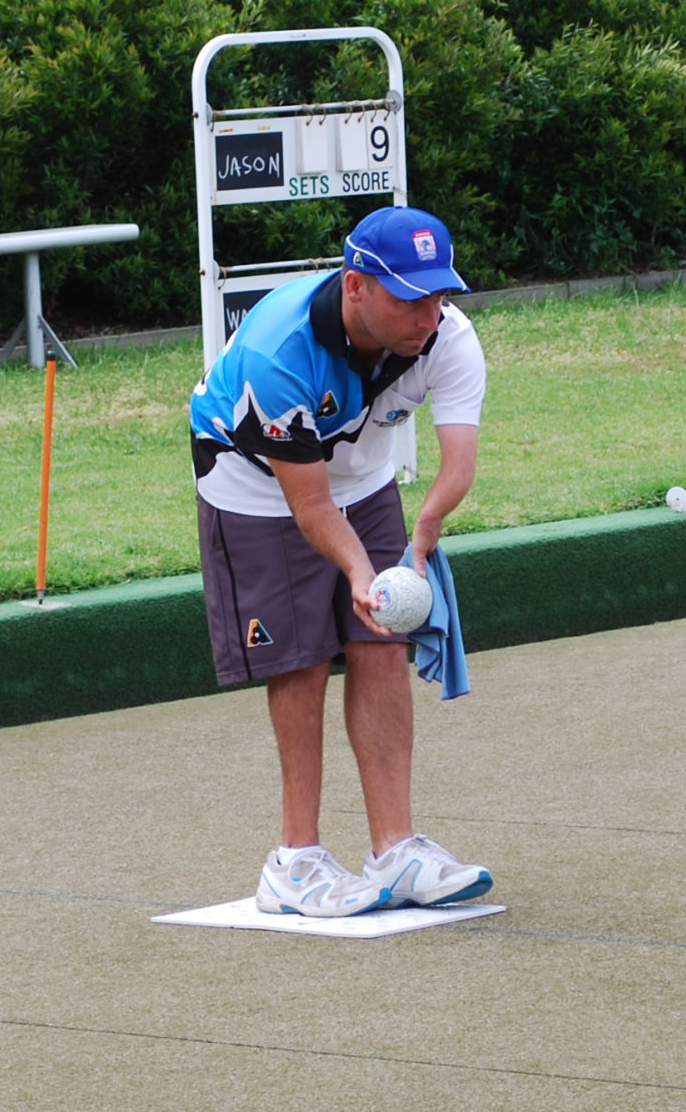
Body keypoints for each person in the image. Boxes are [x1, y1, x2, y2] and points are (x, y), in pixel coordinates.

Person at [189, 205, 493, 918]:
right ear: (357, 286)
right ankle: (293, 861)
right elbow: (310, 509)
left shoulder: (449, 339)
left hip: (364, 476)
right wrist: (361, 572)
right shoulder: (280, 348)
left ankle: (396, 847)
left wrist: (423, 529)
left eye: (439, 294)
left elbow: (458, 464)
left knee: (382, 641)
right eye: (409, 297)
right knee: (298, 658)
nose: (430, 314)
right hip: (253, 480)